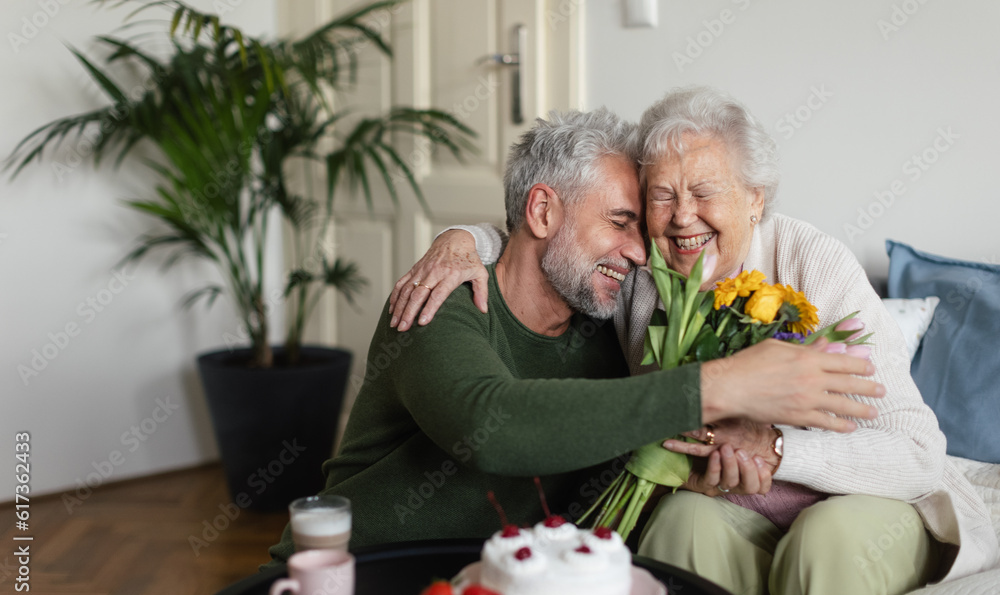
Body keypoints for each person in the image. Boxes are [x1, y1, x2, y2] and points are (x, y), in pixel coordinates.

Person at [390, 87, 998, 595]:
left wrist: (778, 448)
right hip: (741, 503)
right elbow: (557, 239)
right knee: (680, 523)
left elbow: (918, 453)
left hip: (872, 501)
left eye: (705, 192)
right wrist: (463, 239)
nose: (683, 218)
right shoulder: (643, 273)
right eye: (661, 196)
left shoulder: (814, 263)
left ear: (755, 198)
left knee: (827, 541)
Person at [265, 107, 883, 570]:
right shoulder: (442, 300)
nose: (642, 251)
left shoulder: (612, 331)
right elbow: (496, 426)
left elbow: (619, 436)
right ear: (541, 212)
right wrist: (720, 386)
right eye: (620, 223)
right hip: (350, 585)